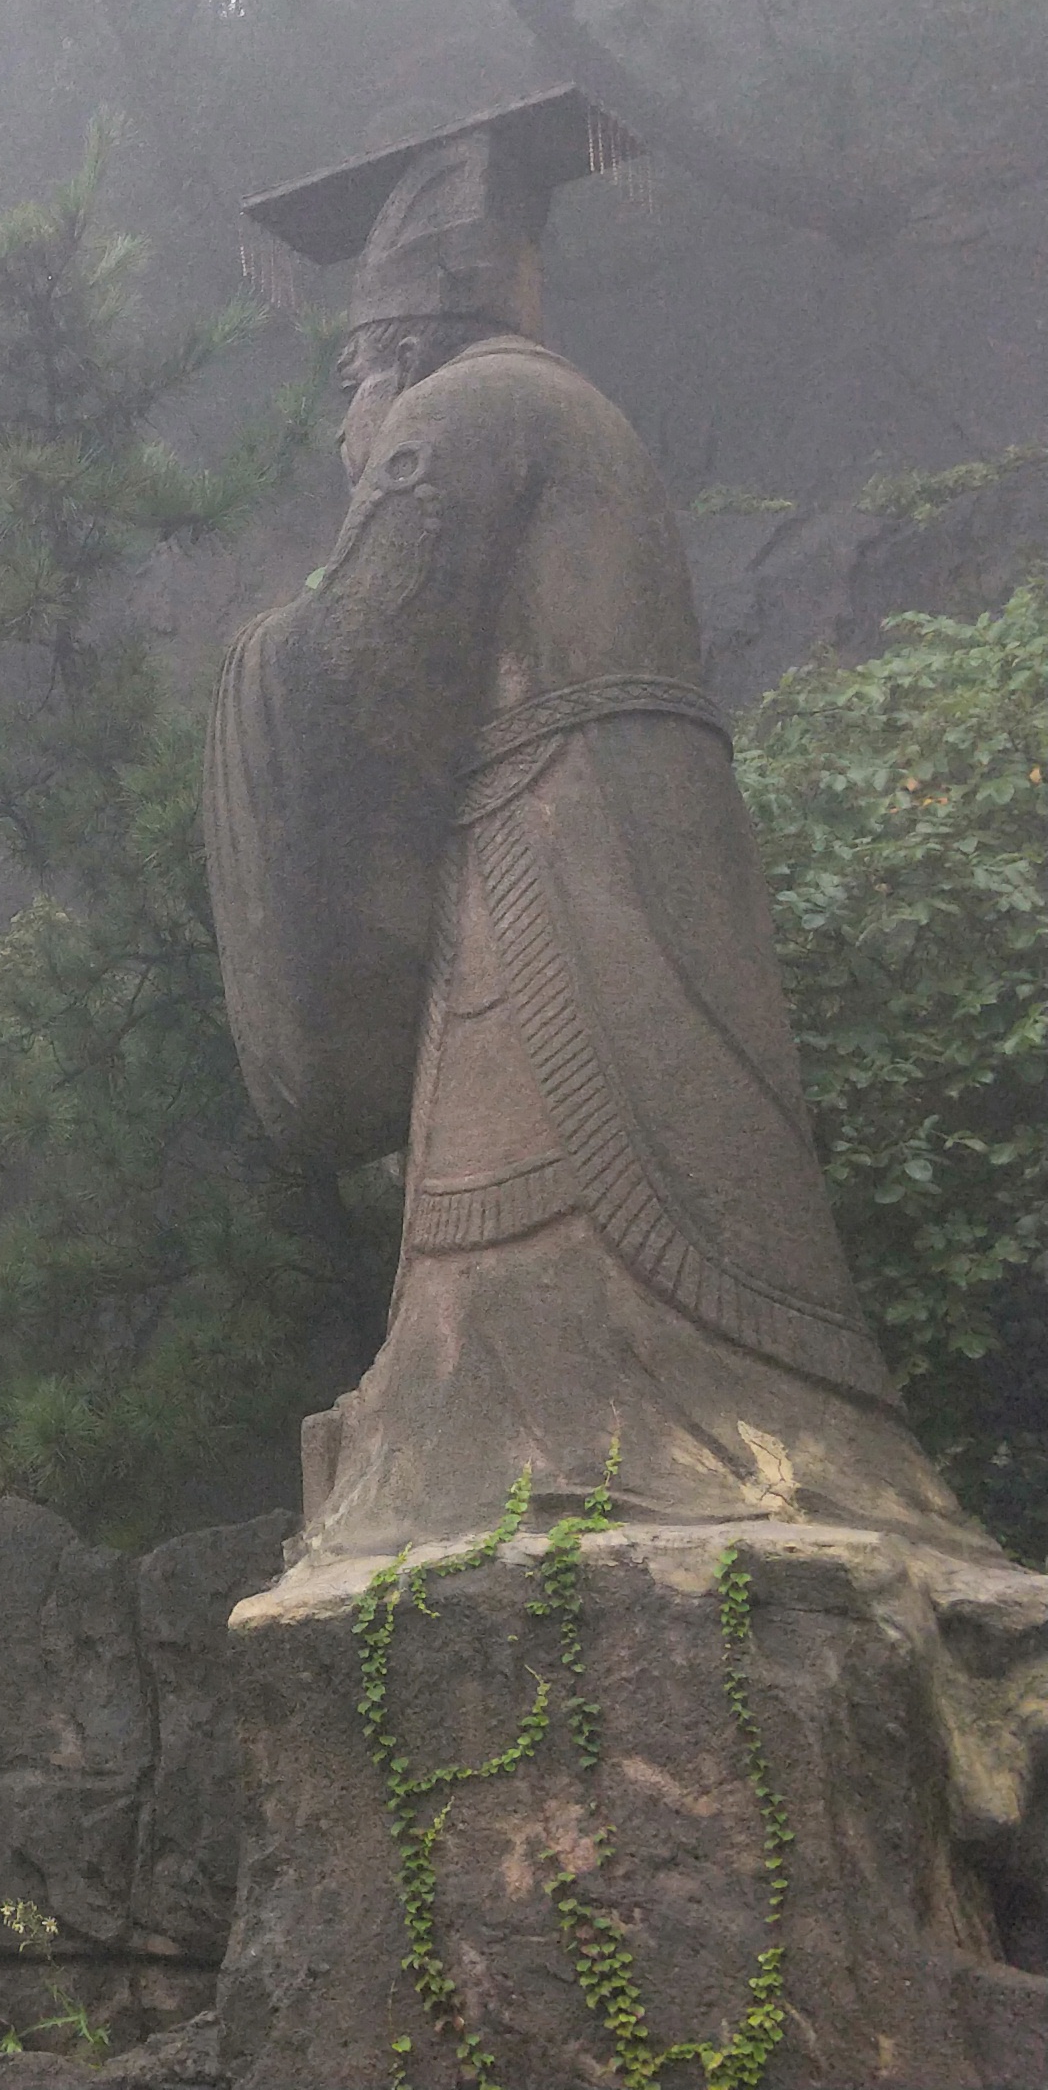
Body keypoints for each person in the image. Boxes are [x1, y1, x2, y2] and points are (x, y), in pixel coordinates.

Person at [207, 87, 980, 1555]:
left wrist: (343, 516)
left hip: (555, 840)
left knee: (549, 1175)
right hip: (653, 820)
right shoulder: (571, 405)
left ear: (397, 338)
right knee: (695, 1167)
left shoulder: (466, 409)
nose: (355, 397)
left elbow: (360, 666)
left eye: (363, 362)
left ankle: (540, 1458)